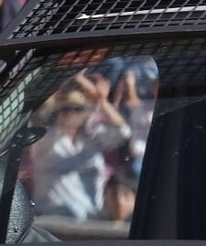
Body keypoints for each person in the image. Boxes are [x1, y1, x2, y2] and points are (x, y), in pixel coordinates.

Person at [30, 76, 131, 221]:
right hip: (53, 220)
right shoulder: (46, 138)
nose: (70, 113)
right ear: (57, 112)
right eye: (65, 108)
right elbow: (36, 119)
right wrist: (57, 93)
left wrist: (102, 101)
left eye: (77, 109)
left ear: (85, 113)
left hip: (91, 222)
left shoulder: (93, 138)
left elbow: (123, 132)